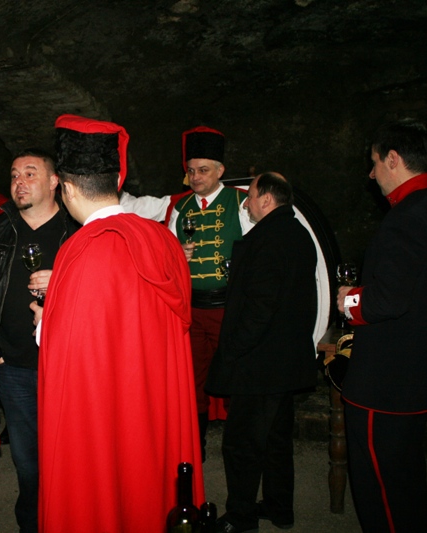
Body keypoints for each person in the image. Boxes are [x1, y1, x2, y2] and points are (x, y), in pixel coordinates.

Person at [35, 114, 204, 533]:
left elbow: (71, 353)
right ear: (116, 181)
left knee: (106, 491)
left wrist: (43, 323)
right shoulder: (163, 239)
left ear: (68, 188)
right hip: (156, 399)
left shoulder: (82, 250)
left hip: (108, 411)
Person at [337, 119, 427, 532]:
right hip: (415, 375)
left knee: (382, 491)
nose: (371, 174)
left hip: (386, 384)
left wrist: (348, 301)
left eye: (375, 162)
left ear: (393, 159)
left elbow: (387, 300)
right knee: (405, 485)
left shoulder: (407, 216)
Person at [0, 147, 77, 533]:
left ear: (54, 181)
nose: (19, 182)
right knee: (28, 465)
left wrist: (62, 283)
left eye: (30, 173)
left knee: (70, 457)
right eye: (14, 175)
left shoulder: (76, 230)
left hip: (67, 365)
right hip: (13, 366)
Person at [205, 172, 318, 533]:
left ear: (267, 199)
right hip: (285, 360)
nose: (247, 205)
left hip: (260, 363)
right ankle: (279, 507)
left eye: (251, 197)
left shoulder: (268, 239)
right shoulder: (297, 233)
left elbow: (260, 308)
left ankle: (240, 517)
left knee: (242, 444)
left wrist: (233, 351)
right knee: (276, 440)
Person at [167, 126, 248, 460]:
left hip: (228, 307)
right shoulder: (180, 208)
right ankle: (195, 446)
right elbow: (167, 260)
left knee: (235, 376)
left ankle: (240, 446)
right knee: (193, 379)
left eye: (203, 170)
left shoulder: (240, 202)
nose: (196, 177)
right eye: (191, 171)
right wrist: (177, 255)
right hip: (193, 309)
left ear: (220, 171)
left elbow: (256, 253)